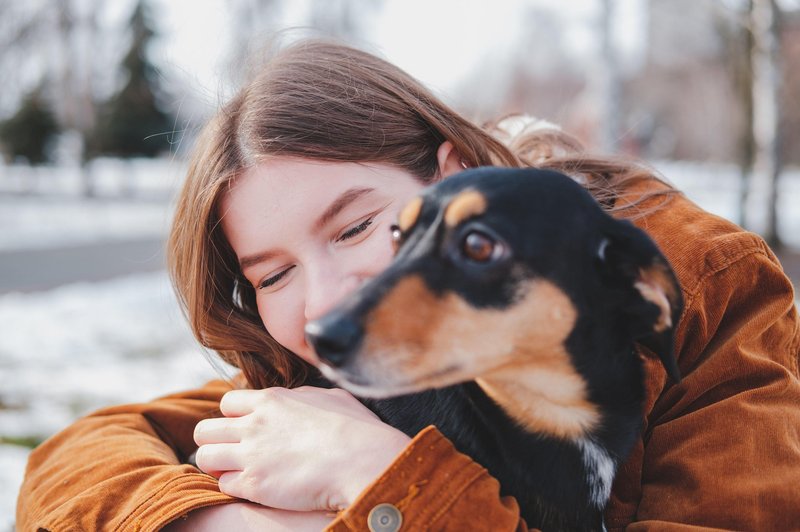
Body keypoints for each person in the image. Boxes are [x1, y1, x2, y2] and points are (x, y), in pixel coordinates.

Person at [17, 39, 800, 531]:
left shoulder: (697, 279)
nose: (326, 300)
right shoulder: (341, 349)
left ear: (454, 174)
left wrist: (380, 484)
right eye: (275, 273)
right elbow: (73, 465)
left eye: (357, 228)